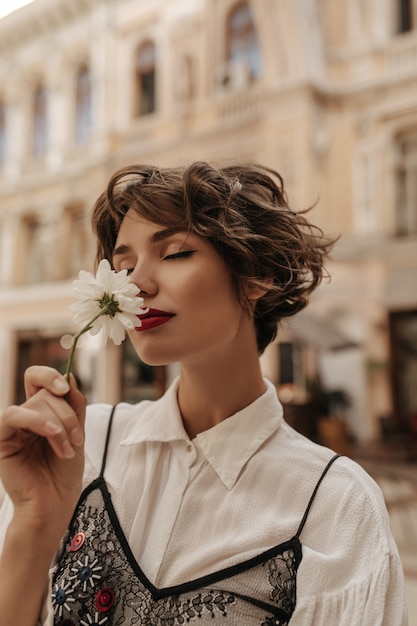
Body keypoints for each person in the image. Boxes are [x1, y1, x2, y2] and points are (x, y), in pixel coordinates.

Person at [0, 161, 407, 625]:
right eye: (124, 265)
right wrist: (35, 518)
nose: (135, 284)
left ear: (257, 273)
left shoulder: (334, 504)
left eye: (174, 253)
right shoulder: (80, 446)